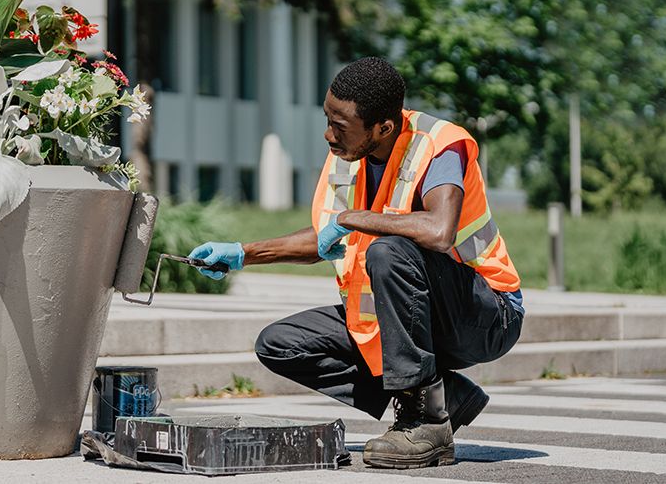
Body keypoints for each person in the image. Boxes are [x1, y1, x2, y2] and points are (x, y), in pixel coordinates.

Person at [188, 57, 524, 470]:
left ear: (384, 127)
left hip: (486, 315)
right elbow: (325, 238)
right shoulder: (349, 154)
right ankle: (442, 394)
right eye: (327, 118)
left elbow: (439, 230)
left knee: (389, 250)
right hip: (409, 317)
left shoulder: (440, 145)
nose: (329, 134)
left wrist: (349, 219)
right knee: (281, 345)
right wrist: (243, 253)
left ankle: (427, 423)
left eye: (340, 125)